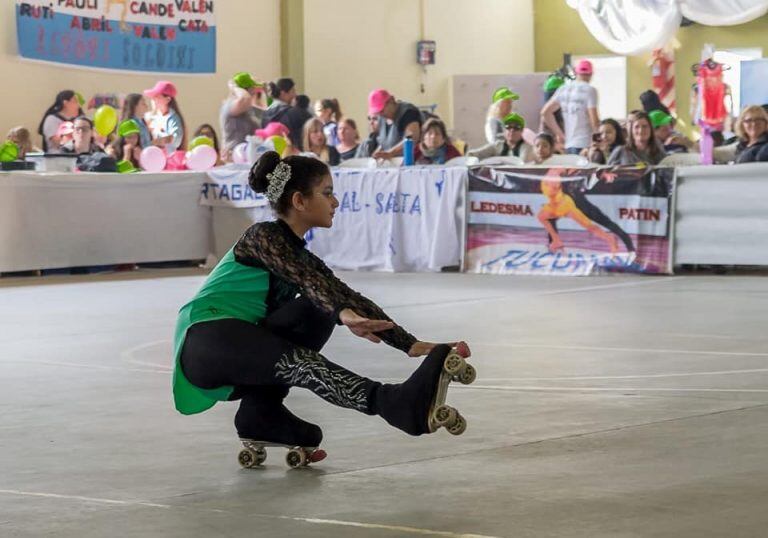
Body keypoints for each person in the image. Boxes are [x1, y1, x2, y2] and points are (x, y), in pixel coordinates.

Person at [172, 151, 472, 457]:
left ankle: (260, 415)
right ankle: (391, 402)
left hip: (244, 345)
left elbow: (342, 294)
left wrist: (411, 344)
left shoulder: (301, 255)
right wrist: (341, 311)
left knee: (319, 309)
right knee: (308, 345)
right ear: (300, 201)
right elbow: (304, 278)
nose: (335, 202)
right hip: (207, 343)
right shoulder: (261, 236)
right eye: (327, 193)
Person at [541, 60, 600, 155]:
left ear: (576, 73)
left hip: (569, 143)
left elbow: (545, 112)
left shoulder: (563, 89)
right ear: (591, 74)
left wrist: (559, 134)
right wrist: (598, 141)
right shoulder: (590, 90)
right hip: (585, 143)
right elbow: (594, 121)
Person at [220, 72, 265, 162]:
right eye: (252, 88)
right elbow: (245, 99)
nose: (254, 91)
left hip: (249, 156)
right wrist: (235, 88)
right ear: (245, 90)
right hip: (234, 156)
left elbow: (268, 113)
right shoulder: (230, 105)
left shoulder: (249, 109)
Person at [368, 89, 422, 160]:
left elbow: (411, 138)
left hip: (413, 160)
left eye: (382, 110)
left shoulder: (408, 113)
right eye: (378, 112)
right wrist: (378, 154)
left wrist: (390, 153)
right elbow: (384, 142)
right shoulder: (382, 117)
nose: (381, 114)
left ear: (392, 100)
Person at [468, 113, 534, 162]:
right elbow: (476, 154)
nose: (512, 130)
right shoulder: (498, 145)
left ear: (522, 131)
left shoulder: (527, 148)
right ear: (504, 130)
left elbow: (523, 163)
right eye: (508, 127)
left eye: (516, 127)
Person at [262, 78, 307, 149]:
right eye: (293, 91)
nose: (295, 95)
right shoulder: (294, 113)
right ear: (283, 93)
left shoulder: (265, 114)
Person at [144, 81, 187, 154]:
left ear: (167, 100)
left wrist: (155, 141)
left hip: (167, 160)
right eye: (153, 97)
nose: (153, 100)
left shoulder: (173, 118)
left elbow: (177, 140)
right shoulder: (149, 116)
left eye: (157, 97)